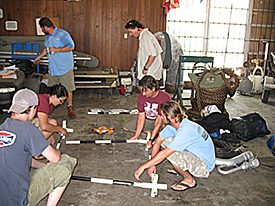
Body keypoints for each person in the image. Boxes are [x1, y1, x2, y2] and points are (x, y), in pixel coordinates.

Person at [0, 88, 77, 205]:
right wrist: (56, 151)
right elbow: (55, 158)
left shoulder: (3, 127)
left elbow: (21, 158)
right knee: (66, 163)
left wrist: (43, 166)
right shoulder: (28, 129)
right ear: (32, 109)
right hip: (17, 201)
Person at [134, 100, 215, 191]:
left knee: (171, 154)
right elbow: (158, 141)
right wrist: (152, 164)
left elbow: (165, 154)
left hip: (204, 166)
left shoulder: (185, 130)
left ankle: (189, 180)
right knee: (165, 142)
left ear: (169, 117)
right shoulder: (175, 124)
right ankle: (181, 168)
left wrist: (143, 166)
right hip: (196, 154)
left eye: (162, 115)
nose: (161, 117)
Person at [34, 17, 76, 119]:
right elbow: (46, 49)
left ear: (45, 27)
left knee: (68, 88)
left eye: (42, 28)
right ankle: (48, 110)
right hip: (53, 69)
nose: (42, 30)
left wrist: (57, 50)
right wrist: (39, 57)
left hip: (64, 68)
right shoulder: (48, 38)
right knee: (51, 89)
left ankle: (70, 108)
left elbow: (71, 47)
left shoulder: (62, 34)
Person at [123, 75, 171, 144]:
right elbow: (141, 117)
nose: (143, 94)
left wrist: (151, 140)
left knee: (166, 128)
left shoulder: (164, 97)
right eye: (142, 91)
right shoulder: (141, 97)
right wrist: (136, 136)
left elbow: (159, 121)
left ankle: (155, 132)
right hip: (148, 120)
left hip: (162, 121)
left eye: (146, 91)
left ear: (153, 88)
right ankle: (151, 131)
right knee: (126, 126)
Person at [125, 20, 163, 84]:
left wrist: (146, 68)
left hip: (151, 71)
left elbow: (153, 54)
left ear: (136, 28)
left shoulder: (146, 36)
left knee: (149, 91)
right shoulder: (143, 35)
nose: (131, 34)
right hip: (149, 71)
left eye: (131, 32)